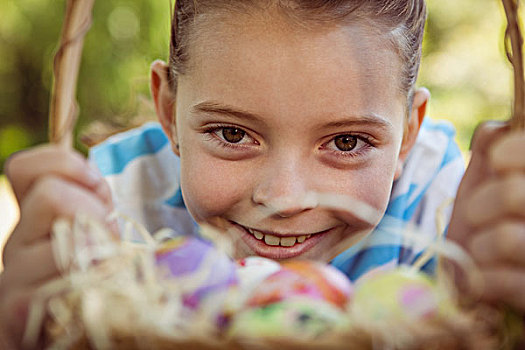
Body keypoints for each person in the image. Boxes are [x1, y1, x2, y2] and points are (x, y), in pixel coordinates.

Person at [1, 0, 525, 347]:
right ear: (168, 110)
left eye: (347, 142)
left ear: (409, 132)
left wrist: (474, 308)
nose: (285, 197)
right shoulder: (108, 208)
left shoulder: (454, 221)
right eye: (232, 135)